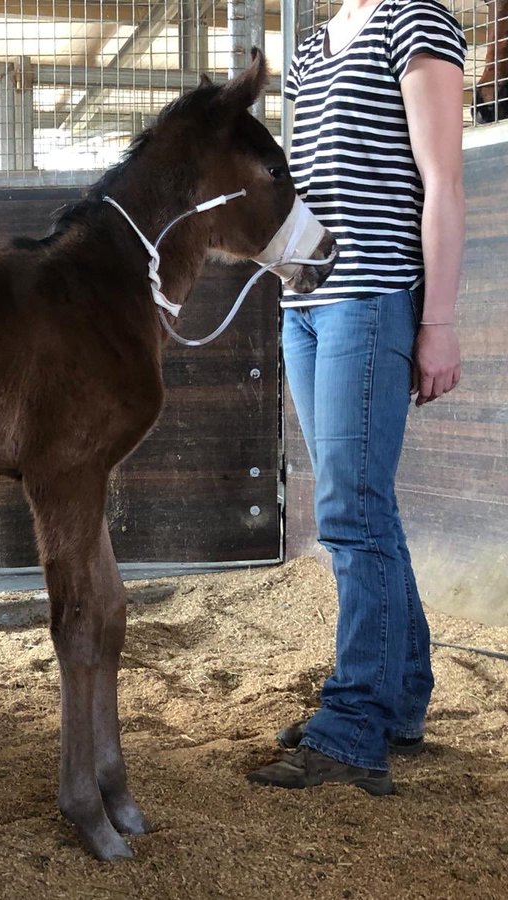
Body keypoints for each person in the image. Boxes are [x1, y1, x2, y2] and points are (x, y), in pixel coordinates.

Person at [247, 0, 466, 794]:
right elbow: (310, 187)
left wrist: (437, 321)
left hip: (371, 299)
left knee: (348, 512)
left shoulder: (417, 21)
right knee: (366, 505)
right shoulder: (310, 48)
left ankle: (351, 730)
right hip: (304, 305)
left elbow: (442, 182)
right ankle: (399, 702)